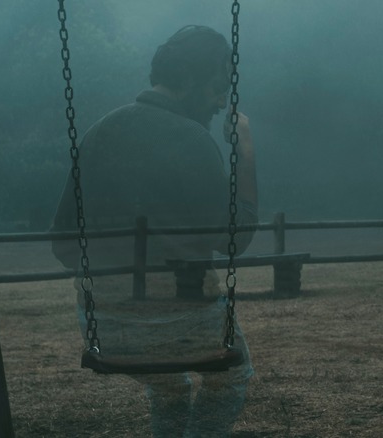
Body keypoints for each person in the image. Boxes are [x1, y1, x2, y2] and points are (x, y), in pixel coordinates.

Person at [51, 25, 258, 437]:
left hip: (105, 327)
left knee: (169, 386)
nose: (222, 102)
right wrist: (245, 153)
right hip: (183, 322)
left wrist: (116, 284)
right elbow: (237, 238)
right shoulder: (193, 140)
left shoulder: (99, 131)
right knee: (232, 374)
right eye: (219, 88)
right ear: (187, 79)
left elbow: (63, 243)